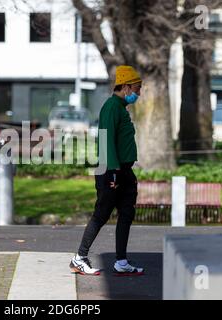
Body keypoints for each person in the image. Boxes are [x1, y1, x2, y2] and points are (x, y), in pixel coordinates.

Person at [70, 66, 144, 276]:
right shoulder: (111, 107)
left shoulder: (121, 108)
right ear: (127, 86)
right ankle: (79, 258)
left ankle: (121, 261)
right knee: (101, 214)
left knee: (126, 214)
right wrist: (113, 172)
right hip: (111, 171)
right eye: (137, 89)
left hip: (124, 171)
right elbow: (106, 141)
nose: (138, 93)